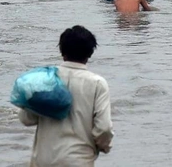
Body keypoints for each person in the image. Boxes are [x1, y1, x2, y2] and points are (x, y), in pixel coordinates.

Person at [18, 25, 113, 166]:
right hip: (79, 160)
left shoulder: (45, 79)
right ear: (90, 53)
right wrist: (102, 147)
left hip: (44, 160)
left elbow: (26, 118)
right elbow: (104, 128)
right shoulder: (97, 84)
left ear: (62, 51)